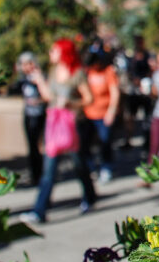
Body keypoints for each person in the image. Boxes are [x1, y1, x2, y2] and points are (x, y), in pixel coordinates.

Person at [23, 39, 97, 224]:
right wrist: (40, 80)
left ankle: (90, 196)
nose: (51, 53)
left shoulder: (78, 74)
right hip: (55, 124)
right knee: (50, 167)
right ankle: (40, 210)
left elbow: (89, 98)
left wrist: (72, 103)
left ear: (64, 52)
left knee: (79, 164)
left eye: (54, 50)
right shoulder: (54, 71)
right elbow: (49, 96)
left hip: (73, 125)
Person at [82, 50, 121, 184]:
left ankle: (106, 167)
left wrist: (111, 111)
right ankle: (91, 167)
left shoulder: (108, 71)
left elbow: (115, 93)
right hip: (88, 113)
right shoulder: (87, 72)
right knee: (85, 143)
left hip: (104, 113)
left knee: (105, 141)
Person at [11, 52, 46, 187]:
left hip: (41, 114)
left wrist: (40, 100)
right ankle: (35, 174)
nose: (27, 67)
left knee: (41, 145)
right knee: (32, 146)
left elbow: (49, 95)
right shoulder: (23, 79)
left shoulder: (40, 77)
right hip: (29, 114)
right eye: (24, 64)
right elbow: (12, 90)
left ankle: (43, 173)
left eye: (29, 63)